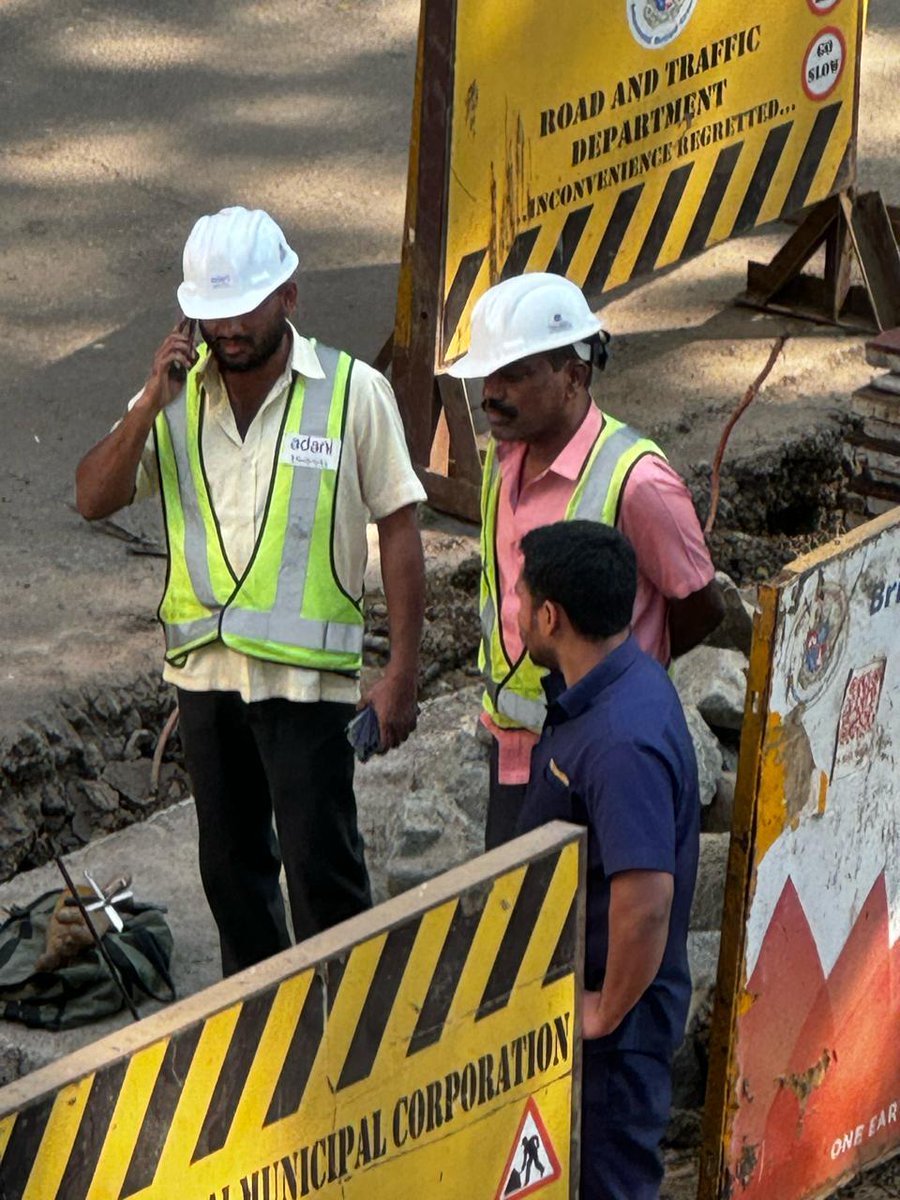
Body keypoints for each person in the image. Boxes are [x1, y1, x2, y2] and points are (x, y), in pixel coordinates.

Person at [75, 206, 426, 976]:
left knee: (323, 878)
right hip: (206, 678)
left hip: (306, 686)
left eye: (243, 311)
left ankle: (352, 1042)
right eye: (209, 315)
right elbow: (94, 498)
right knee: (233, 880)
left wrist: (401, 672)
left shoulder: (350, 393)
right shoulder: (171, 403)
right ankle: (264, 1039)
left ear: (288, 298)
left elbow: (400, 529)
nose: (227, 330)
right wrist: (145, 405)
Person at [444, 272, 723, 848]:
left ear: (574, 376)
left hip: (600, 756)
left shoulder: (638, 481)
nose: (492, 392)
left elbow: (700, 605)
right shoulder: (505, 457)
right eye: (488, 375)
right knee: (516, 927)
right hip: (516, 749)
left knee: (588, 928)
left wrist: (630, 671)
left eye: (514, 375)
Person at [515, 520, 700, 1200]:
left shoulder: (621, 741)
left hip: (612, 1045)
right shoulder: (622, 687)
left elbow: (646, 900)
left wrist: (603, 1009)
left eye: (519, 594)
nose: (513, 606)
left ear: (550, 615)